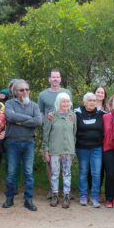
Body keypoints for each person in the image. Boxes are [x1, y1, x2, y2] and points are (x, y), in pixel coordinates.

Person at [3, 80, 42, 211]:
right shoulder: (9, 103)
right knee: (11, 172)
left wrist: (19, 120)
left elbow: (38, 121)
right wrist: (28, 119)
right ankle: (9, 198)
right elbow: (9, 117)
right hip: (12, 142)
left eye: (27, 89)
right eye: (22, 90)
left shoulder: (34, 106)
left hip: (28, 143)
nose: (25, 92)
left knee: (29, 172)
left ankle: (28, 200)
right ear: (15, 93)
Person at [38, 69, 72, 199]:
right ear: (49, 79)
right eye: (53, 77)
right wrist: (45, 122)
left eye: (58, 77)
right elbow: (40, 112)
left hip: (64, 132)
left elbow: (70, 110)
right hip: (50, 132)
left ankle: (66, 191)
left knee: (65, 163)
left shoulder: (67, 93)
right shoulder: (43, 95)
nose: (55, 79)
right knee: (50, 161)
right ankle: (53, 190)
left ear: (60, 79)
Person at [42, 93, 76, 209]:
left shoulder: (73, 116)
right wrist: (46, 150)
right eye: (63, 101)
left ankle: (66, 195)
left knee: (67, 174)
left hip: (68, 151)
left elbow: (74, 134)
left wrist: (73, 150)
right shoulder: (52, 116)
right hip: (54, 150)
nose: (65, 104)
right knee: (55, 173)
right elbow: (46, 134)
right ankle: (55, 194)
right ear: (58, 103)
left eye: (67, 101)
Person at [75, 93, 104, 208]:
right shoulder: (77, 113)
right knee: (83, 172)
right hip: (82, 148)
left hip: (97, 148)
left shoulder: (101, 113)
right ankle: (83, 195)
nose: (93, 102)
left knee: (96, 173)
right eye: (90, 100)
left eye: (94, 100)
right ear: (84, 102)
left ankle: (94, 197)